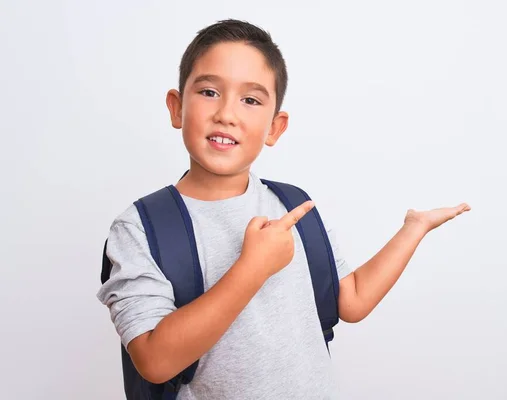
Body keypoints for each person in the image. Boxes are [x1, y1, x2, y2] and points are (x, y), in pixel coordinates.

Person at [97, 18, 471, 399]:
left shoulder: (292, 205)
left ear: (275, 127)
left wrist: (414, 228)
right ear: (177, 108)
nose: (227, 113)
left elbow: (352, 299)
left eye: (250, 100)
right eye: (209, 92)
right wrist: (252, 268)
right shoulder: (140, 228)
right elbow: (155, 361)